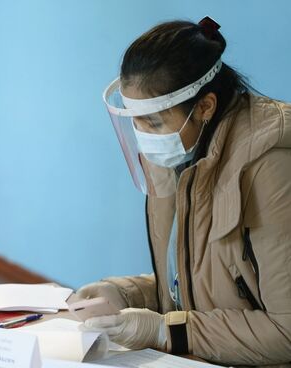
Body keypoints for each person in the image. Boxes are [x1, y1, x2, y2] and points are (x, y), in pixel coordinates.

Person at [78, 17, 291, 367]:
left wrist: (167, 332)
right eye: (134, 119)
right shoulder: (184, 150)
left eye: (154, 122)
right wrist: (126, 294)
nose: (144, 136)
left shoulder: (272, 166)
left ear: (205, 107)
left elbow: (286, 332)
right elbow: (206, 281)